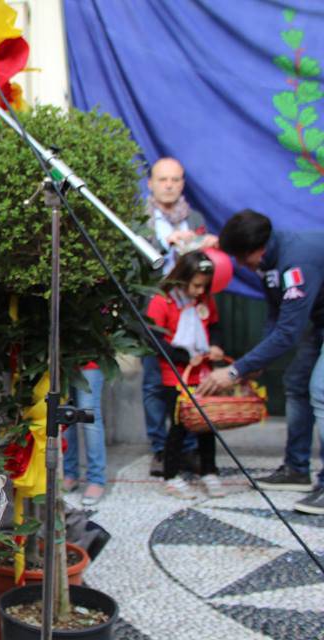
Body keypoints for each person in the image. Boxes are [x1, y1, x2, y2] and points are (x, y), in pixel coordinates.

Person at [199, 210, 324, 515]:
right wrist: (257, 360)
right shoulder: (269, 261)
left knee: (320, 389)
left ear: (258, 250)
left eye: (242, 259)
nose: (241, 266)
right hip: (319, 321)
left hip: (313, 322)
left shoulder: (296, 261)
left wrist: (235, 369)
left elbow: (289, 332)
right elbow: (275, 314)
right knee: (296, 382)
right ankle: (296, 469)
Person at [142, 157, 217, 475]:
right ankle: (161, 449)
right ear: (151, 184)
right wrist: (164, 244)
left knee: (193, 382)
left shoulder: (195, 218)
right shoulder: (140, 221)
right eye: (163, 179)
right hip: (158, 311)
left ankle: (188, 449)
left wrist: (206, 248)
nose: (169, 185)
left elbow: (206, 268)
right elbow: (136, 266)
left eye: (175, 179)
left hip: (192, 314)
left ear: (183, 183)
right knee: (155, 384)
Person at [146, 251, 226, 498]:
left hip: (203, 374)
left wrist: (214, 347)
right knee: (179, 426)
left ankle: (209, 471)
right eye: (196, 285)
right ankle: (171, 476)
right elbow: (153, 340)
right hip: (176, 375)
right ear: (182, 278)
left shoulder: (205, 301)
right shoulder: (163, 301)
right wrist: (183, 356)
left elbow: (214, 327)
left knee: (207, 425)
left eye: (204, 286)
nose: (200, 291)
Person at [63, 363, 107, 506]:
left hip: (89, 360)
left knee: (89, 416)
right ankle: (69, 473)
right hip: (62, 361)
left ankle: (96, 479)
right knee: (65, 416)